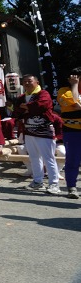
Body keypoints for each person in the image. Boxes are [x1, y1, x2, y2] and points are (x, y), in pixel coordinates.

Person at [13, 75, 60, 194]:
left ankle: (54, 183)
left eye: (30, 81)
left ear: (37, 82)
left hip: (44, 131)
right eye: (24, 82)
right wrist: (28, 108)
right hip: (29, 131)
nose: (27, 83)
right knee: (34, 157)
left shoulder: (43, 94)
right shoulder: (22, 97)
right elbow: (17, 110)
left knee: (48, 157)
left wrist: (27, 108)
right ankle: (38, 181)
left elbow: (42, 106)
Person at [58, 68, 81, 199]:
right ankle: (72, 187)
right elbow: (75, 103)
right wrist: (74, 85)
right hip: (73, 132)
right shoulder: (63, 91)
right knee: (73, 160)